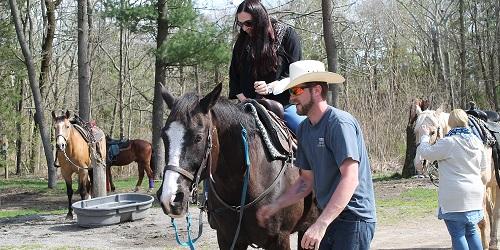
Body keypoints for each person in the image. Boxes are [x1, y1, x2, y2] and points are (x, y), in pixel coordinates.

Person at [256, 60, 377, 250]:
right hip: (328, 217)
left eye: (296, 91)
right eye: (290, 92)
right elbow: (305, 181)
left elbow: (350, 179)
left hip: (353, 219)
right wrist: (276, 205)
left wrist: (321, 224)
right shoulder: (304, 129)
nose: (291, 98)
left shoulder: (339, 124)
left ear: (317, 90)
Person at [228, 0, 305, 133]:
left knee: (305, 129)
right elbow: (234, 78)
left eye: (248, 23)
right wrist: (246, 101)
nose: (244, 28)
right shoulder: (241, 43)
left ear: (261, 19)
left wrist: (270, 87)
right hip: (246, 107)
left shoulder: (287, 36)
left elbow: (295, 75)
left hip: (283, 106)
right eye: (240, 24)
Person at [416, 109, 486, 250]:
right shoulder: (477, 142)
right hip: (475, 195)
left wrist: (424, 137)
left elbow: (426, 153)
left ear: (450, 123)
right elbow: (483, 167)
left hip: (455, 198)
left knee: (457, 234)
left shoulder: (449, 142)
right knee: (471, 233)